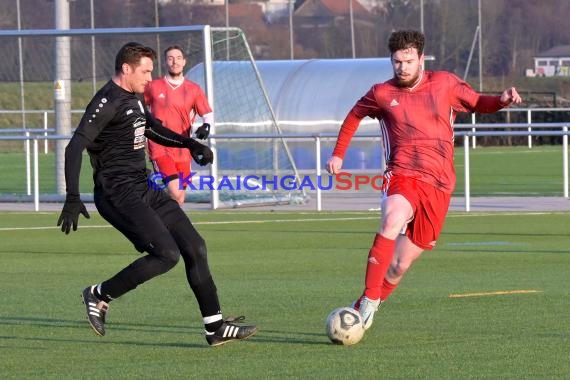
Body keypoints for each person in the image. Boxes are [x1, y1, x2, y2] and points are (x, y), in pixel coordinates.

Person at [57, 42, 257, 347]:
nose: (151, 77)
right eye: (146, 71)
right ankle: (98, 295)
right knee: (166, 255)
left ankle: (214, 327)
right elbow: (74, 147)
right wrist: (73, 196)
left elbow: (153, 129)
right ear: (127, 69)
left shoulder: (134, 100)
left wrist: (190, 144)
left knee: (196, 247)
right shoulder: (107, 100)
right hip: (117, 193)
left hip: (144, 185)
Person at [326, 30, 522, 331]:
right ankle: (368, 300)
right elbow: (354, 116)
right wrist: (339, 154)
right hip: (402, 173)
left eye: (407, 61)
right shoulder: (381, 93)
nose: (401, 68)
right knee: (392, 220)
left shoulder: (444, 84)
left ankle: (361, 312)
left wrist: (501, 100)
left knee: (399, 265)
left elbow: (478, 102)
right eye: (396, 62)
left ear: (420, 59)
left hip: (440, 185)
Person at [144, 45, 213, 205]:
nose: (174, 62)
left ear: (184, 62)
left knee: (180, 197)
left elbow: (207, 114)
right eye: (170, 58)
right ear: (165, 62)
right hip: (160, 146)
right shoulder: (153, 87)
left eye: (178, 58)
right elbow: (138, 106)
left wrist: (206, 126)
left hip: (184, 148)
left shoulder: (193, 89)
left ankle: (158, 220)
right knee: (175, 191)